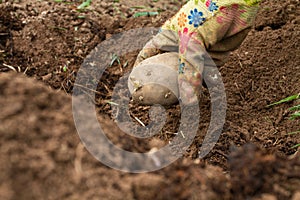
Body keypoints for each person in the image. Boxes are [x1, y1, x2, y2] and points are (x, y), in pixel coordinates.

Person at [131, 0, 260, 105]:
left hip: (199, 36)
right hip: (184, 37)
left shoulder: (228, 12)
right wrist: (191, 99)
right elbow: (191, 47)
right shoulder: (220, 14)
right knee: (156, 84)